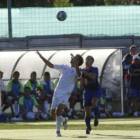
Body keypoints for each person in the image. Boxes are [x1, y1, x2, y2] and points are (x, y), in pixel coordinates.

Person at [36, 51, 83, 137]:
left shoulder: (77, 70)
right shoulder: (64, 67)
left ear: (78, 61)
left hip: (66, 94)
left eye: (75, 58)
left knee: (59, 111)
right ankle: (64, 120)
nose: (72, 58)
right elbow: (50, 65)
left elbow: (79, 75)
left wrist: (76, 63)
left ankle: (58, 131)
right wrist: (41, 57)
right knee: (53, 115)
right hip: (57, 92)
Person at [80, 55, 100, 134]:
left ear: (92, 61)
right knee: (87, 111)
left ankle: (96, 117)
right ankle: (88, 126)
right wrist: (80, 80)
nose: (87, 60)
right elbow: (81, 82)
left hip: (95, 90)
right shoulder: (82, 71)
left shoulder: (95, 69)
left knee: (94, 102)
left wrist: (84, 72)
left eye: (89, 59)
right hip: (87, 91)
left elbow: (92, 77)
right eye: (86, 59)